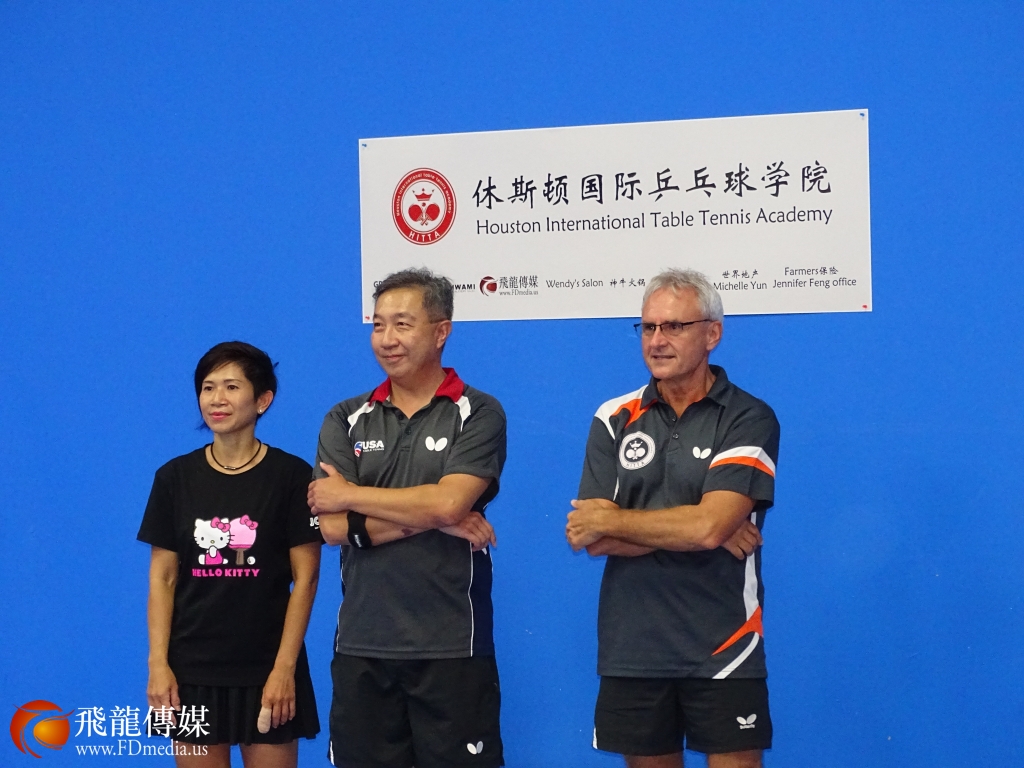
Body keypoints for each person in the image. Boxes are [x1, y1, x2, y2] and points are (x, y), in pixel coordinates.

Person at [566, 269, 781, 768]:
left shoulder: (748, 417)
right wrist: (701, 527)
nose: (657, 340)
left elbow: (707, 527)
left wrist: (623, 520)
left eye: (674, 327)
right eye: (648, 327)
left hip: (725, 645)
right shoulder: (613, 416)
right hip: (633, 648)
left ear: (712, 333)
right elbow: (589, 535)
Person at [308, 268, 507, 768]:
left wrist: (353, 495)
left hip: (452, 647)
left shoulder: (479, 412)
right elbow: (331, 527)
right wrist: (436, 515)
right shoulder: (345, 418)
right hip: (362, 645)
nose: (387, 339)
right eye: (378, 325)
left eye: (402, 324)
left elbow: (448, 503)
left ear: (441, 331)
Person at [138, 341, 322, 767]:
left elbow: (307, 578)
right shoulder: (174, 478)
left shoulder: (292, 476)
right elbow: (162, 578)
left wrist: (284, 669)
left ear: (263, 400)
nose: (216, 399)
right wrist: (158, 664)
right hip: (192, 671)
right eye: (208, 387)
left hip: (268, 667)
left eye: (231, 387)